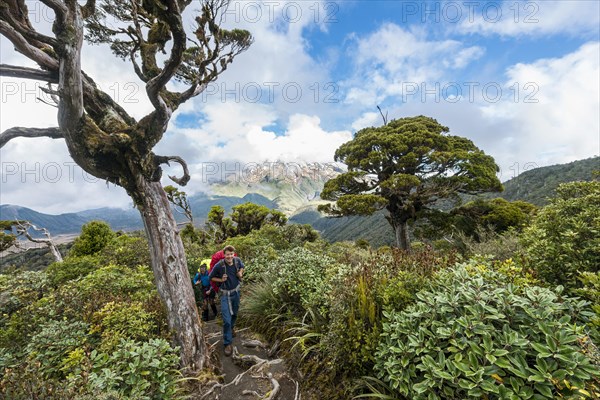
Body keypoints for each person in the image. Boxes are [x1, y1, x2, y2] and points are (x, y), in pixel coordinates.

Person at [209, 245, 244, 356]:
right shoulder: (219, 265)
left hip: (236, 292)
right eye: (227, 254)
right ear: (224, 255)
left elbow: (242, 267)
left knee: (235, 313)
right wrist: (221, 279)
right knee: (226, 319)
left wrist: (240, 273)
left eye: (231, 254)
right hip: (224, 295)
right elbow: (211, 277)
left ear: (234, 254)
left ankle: (231, 328)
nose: (229, 256)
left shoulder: (237, 261)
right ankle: (227, 343)